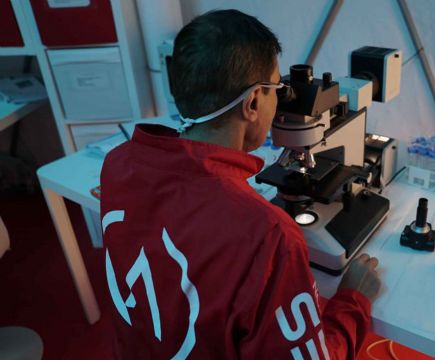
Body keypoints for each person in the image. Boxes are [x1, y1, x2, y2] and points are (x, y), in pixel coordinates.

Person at [100, 9, 382, 359]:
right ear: (252, 103)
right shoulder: (267, 235)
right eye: (276, 87)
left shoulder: (118, 163)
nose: (281, 99)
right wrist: (353, 299)